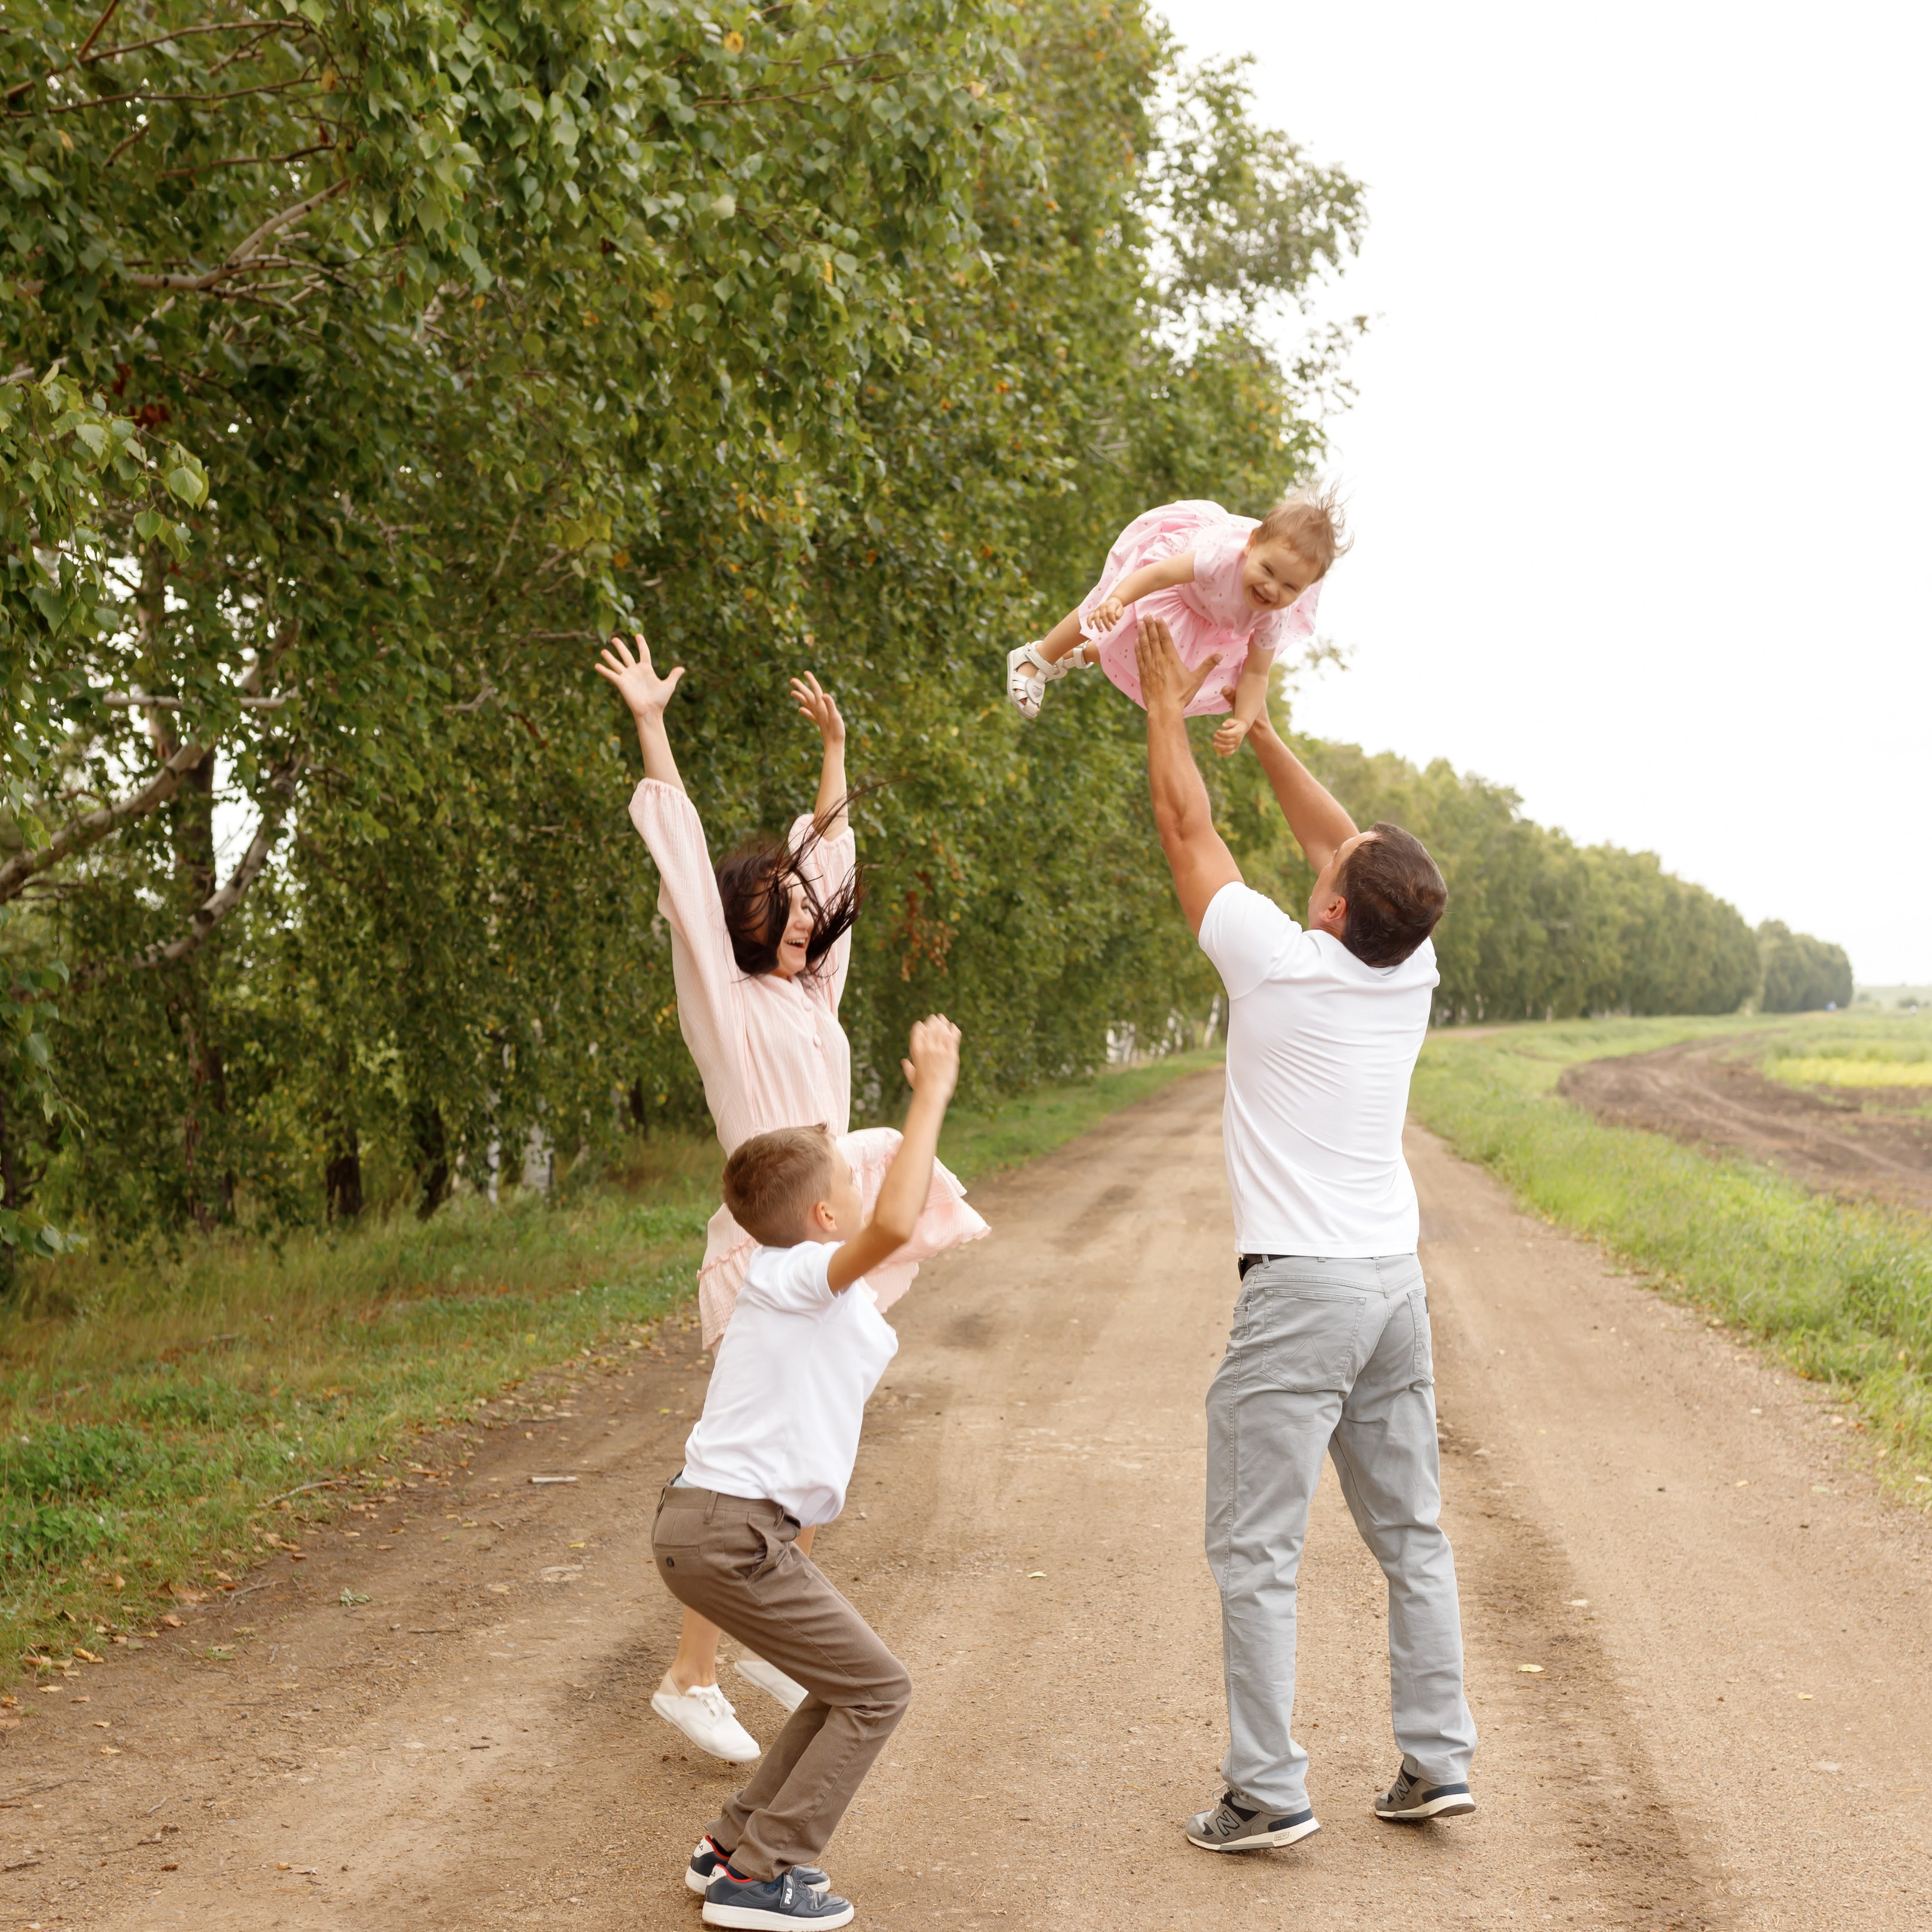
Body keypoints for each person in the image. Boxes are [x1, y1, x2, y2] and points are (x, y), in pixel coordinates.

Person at [596, 633, 988, 1763]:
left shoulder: (813, 995)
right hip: (768, 1242)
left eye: (808, 903)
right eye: (779, 900)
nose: (805, 912)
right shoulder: (722, 993)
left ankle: (762, 1628)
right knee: (748, 1469)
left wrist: (837, 753)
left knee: (810, 1447)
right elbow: (679, 863)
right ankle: (690, 1673)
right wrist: (651, 723)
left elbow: (830, 864)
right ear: (737, 917)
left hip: (823, 1218)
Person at [1129, 614, 1478, 1851]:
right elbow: (1349, 849)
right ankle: (1437, 1762)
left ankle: (1268, 1790)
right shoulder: (1410, 968)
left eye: (1344, 856)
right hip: (1392, 1286)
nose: (1333, 843)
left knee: (1257, 1548)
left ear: (1335, 901)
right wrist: (1262, 732)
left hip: (1304, 1295)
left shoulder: (1277, 963)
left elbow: (1188, 829)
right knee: (1411, 1536)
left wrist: (1168, 712)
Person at [658, 1015, 964, 1930]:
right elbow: (897, 1220)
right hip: (728, 1530)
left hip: (722, 1529)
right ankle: (764, 1876)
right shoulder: (791, 1270)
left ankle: (730, 1846)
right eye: (849, 1188)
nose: (867, 1195)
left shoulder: (821, 1291)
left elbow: (900, 1238)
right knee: (880, 1689)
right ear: (825, 1219)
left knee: (845, 1684)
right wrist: (931, 1093)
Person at [1003, 485, 1346, 755]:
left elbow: (1256, 672)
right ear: (1251, 546)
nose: (1272, 590)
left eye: (1290, 586)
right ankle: (1037, 657)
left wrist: (1243, 722)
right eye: (1268, 570)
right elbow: (1156, 576)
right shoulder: (1220, 559)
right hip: (1176, 586)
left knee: (1152, 664)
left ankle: (1078, 656)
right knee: (1103, 614)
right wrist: (1118, 599)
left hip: (1205, 622)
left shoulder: (1274, 616)